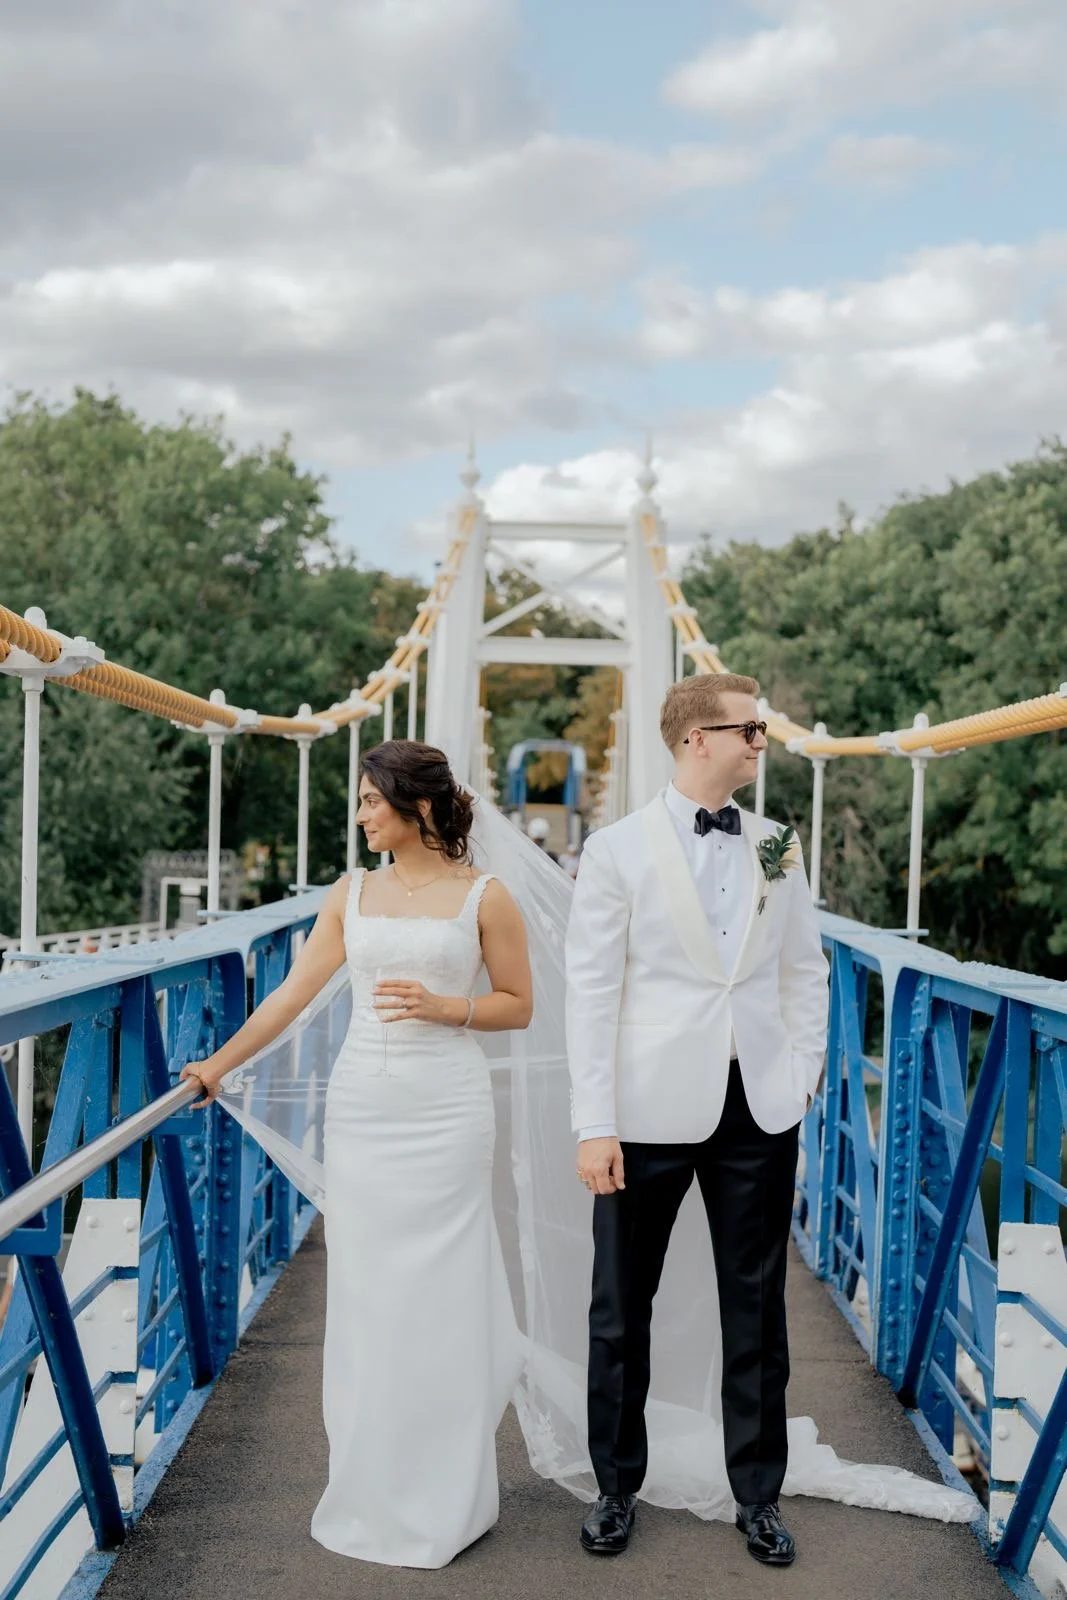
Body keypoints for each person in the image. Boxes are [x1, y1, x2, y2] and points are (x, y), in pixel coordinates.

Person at [180, 740, 533, 1569]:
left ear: (416, 808)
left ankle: (447, 1494)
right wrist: (218, 1065)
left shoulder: (486, 896)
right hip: (365, 1113)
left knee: (439, 1297)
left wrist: (448, 1007)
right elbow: (291, 995)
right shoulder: (350, 893)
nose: (361, 816)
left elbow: (517, 1006)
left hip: (446, 1111)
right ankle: (372, 1485)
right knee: (370, 1297)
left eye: (372, 802)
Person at [566, 673, 828, 1567]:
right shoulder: (614, 850)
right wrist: (592, 1122)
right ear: (695, 740)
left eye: (761, 728)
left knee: (756, 1312)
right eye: (749, 729)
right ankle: (613, 1488)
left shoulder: (778, 845)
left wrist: (801, 1073)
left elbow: (804, 968)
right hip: (641, 1114)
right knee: (617, 1311)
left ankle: (757, 1496)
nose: (762, 741)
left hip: (758, 1107)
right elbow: (590, 992)